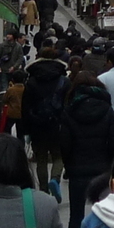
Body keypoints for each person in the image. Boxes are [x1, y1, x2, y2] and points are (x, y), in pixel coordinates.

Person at [60, 69, 114, 228]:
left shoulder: (69, 110)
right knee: (105, 212)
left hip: (77, 170)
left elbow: (65, 144)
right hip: (102, 169)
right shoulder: (107, 110)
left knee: (76, 214)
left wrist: (69, 164)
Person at [23, 38, 70, 194]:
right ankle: (55, 179)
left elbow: (26, 106)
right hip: (58, 124)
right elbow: (69, 104)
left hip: (37, 125)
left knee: (41, 159)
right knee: (59, 156)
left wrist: (26, 129)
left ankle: (43, 190)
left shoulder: (31, 81)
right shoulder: (64, 80)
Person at [2, 69, 28, 135]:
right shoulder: (26, 89)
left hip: (11, 113)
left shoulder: (11, 90)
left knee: (7, 130)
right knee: (20, 134)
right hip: (22, 114)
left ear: (13, 79)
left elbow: (4, 99)